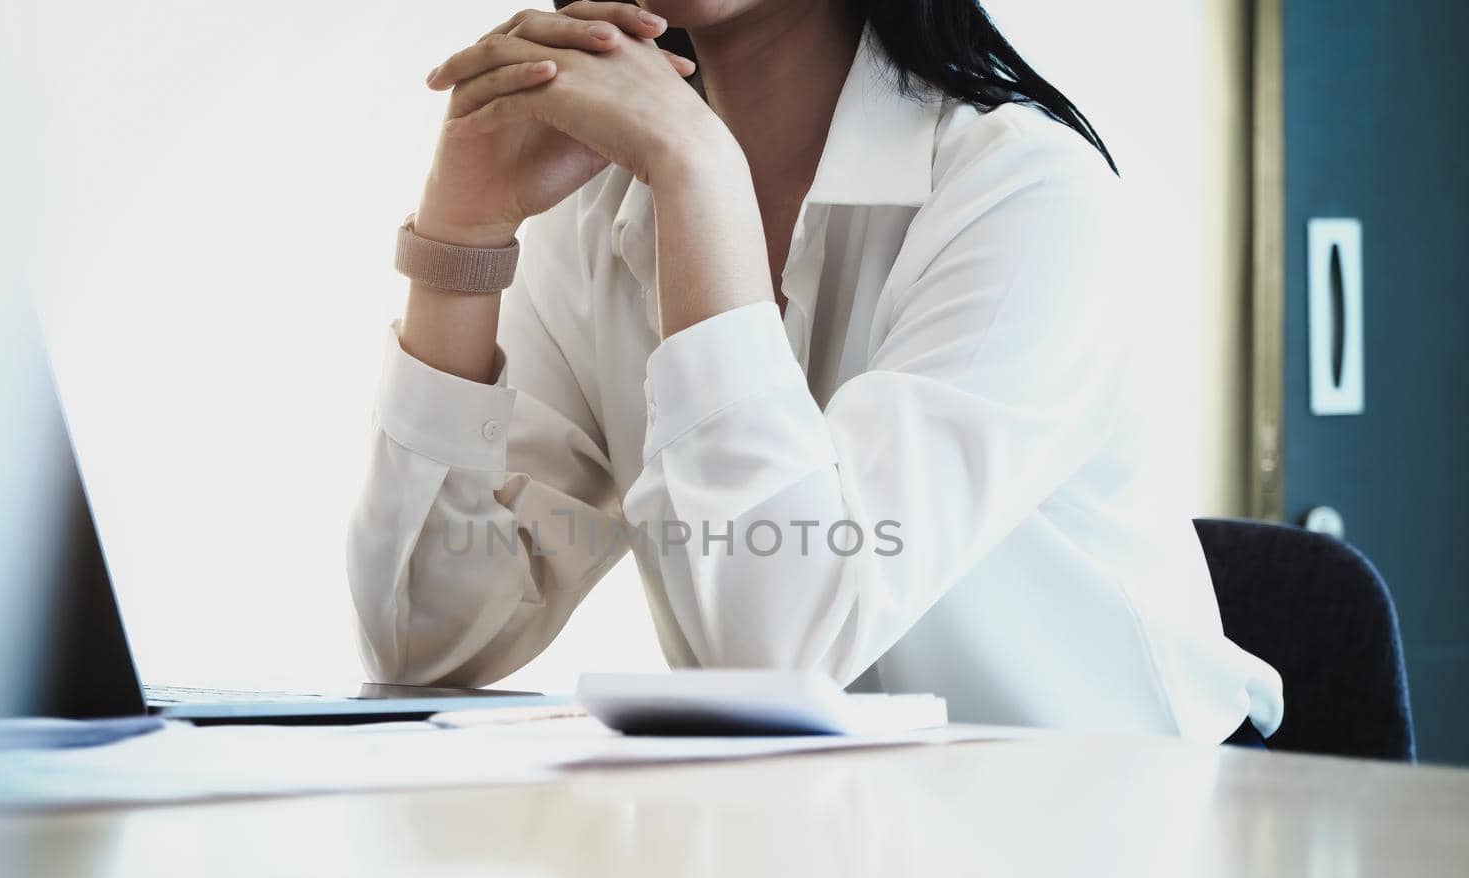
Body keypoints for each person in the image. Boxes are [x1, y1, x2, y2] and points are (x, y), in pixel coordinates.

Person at [347, 0, 1283, 743]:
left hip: (1122, 848)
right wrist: (464, 236)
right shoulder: (598, 209)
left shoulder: (1025, 193)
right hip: (839, 852)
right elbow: (427, 636)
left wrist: (699, 172)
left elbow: (784, 648)